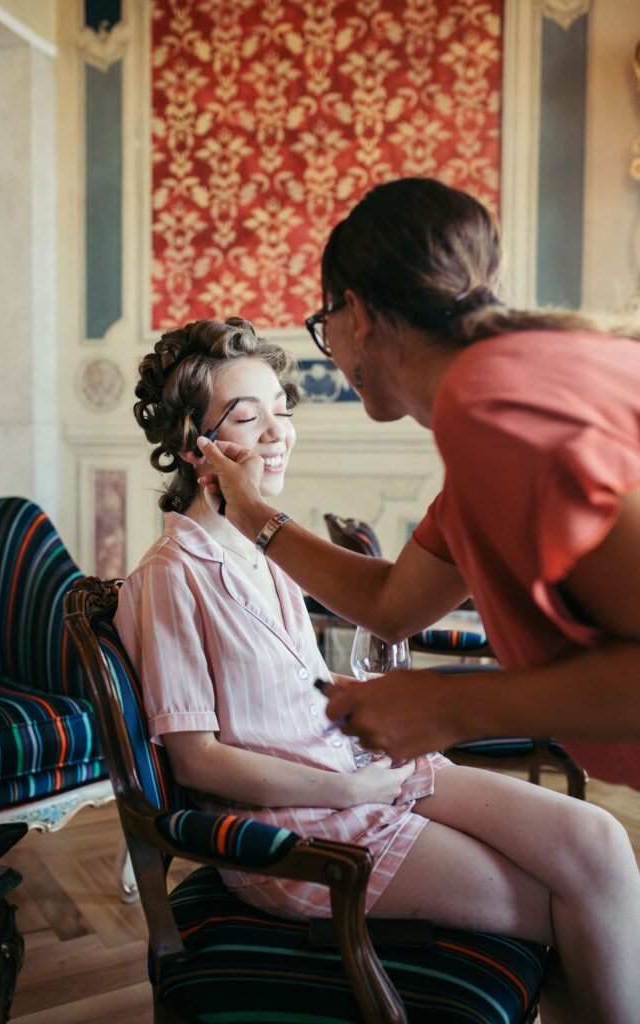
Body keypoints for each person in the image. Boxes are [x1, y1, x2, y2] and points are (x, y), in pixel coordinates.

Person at [117, 315, 640, 1024]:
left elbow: (297, 687)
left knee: (597, 846)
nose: (278, 432)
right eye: (248, 416)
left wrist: (364, 725)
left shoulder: (262, 552)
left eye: (283, 409)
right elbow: (198, 760)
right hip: (297, 826)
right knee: (566, 900)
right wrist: (346, 785)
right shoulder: (171, 576)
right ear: (192, 445)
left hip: (366, 775)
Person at [196, 177, 640, 794]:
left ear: (359, 315)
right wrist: (248, 513)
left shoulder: (490, 408)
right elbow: (392, 606)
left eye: (327, 323)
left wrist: (449, 706)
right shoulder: (519, 379)